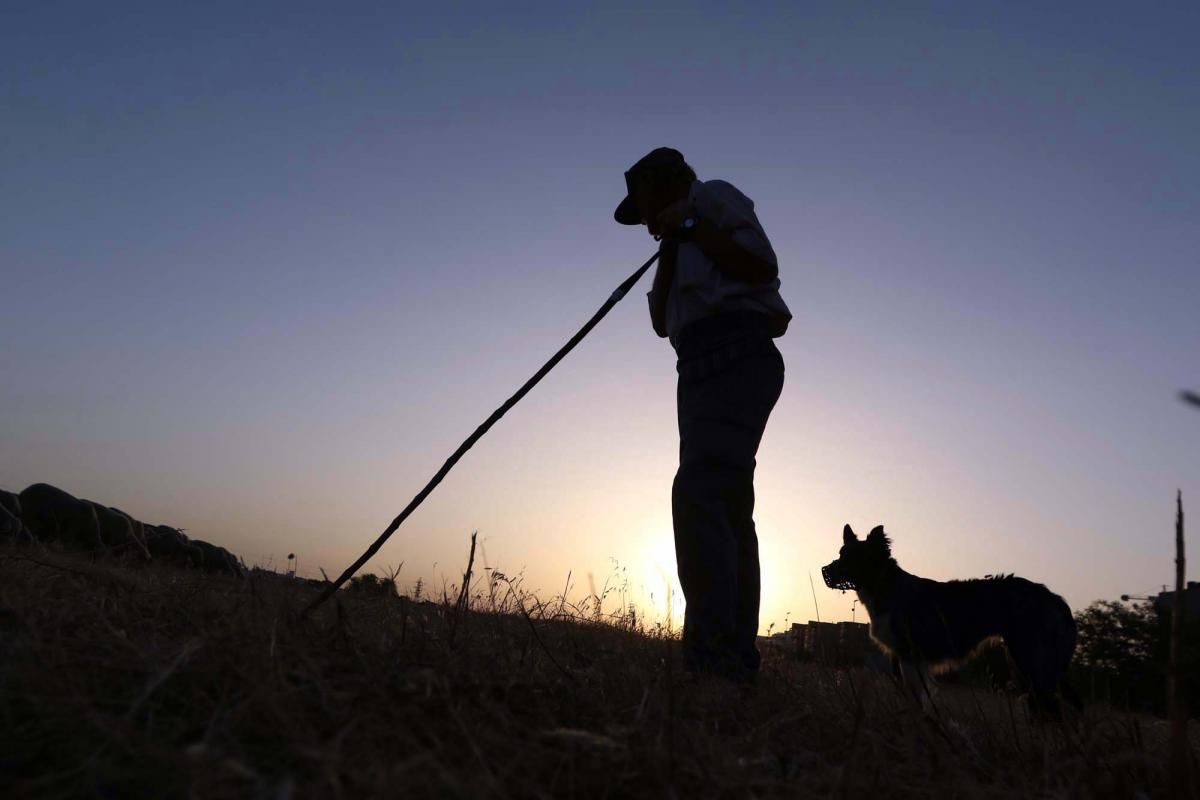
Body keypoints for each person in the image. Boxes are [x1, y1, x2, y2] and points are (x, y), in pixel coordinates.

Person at [614, 147, 790, 683]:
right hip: (697, 370)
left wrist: (689, 222)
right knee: (725, 506)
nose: (641, 219)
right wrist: (673, 240)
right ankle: (731, 659)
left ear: (662, 186)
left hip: (736, 354)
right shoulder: (676, 238)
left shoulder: (712, 198)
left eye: (642, 206)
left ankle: (714, 661)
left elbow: (761, 267)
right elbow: (660, 322)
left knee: (702, 493)